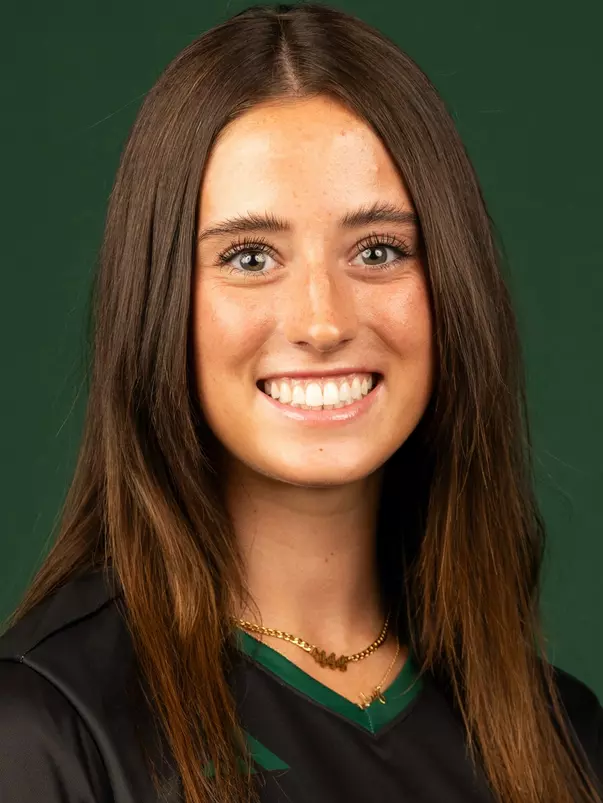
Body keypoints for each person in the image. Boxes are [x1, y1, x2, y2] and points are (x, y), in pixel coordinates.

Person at [0, 3, 601, 802]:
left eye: (379, 249)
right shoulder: (43, 725)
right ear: (155, 301)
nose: (322, 320)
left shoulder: (563, 735)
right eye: (250, 256)